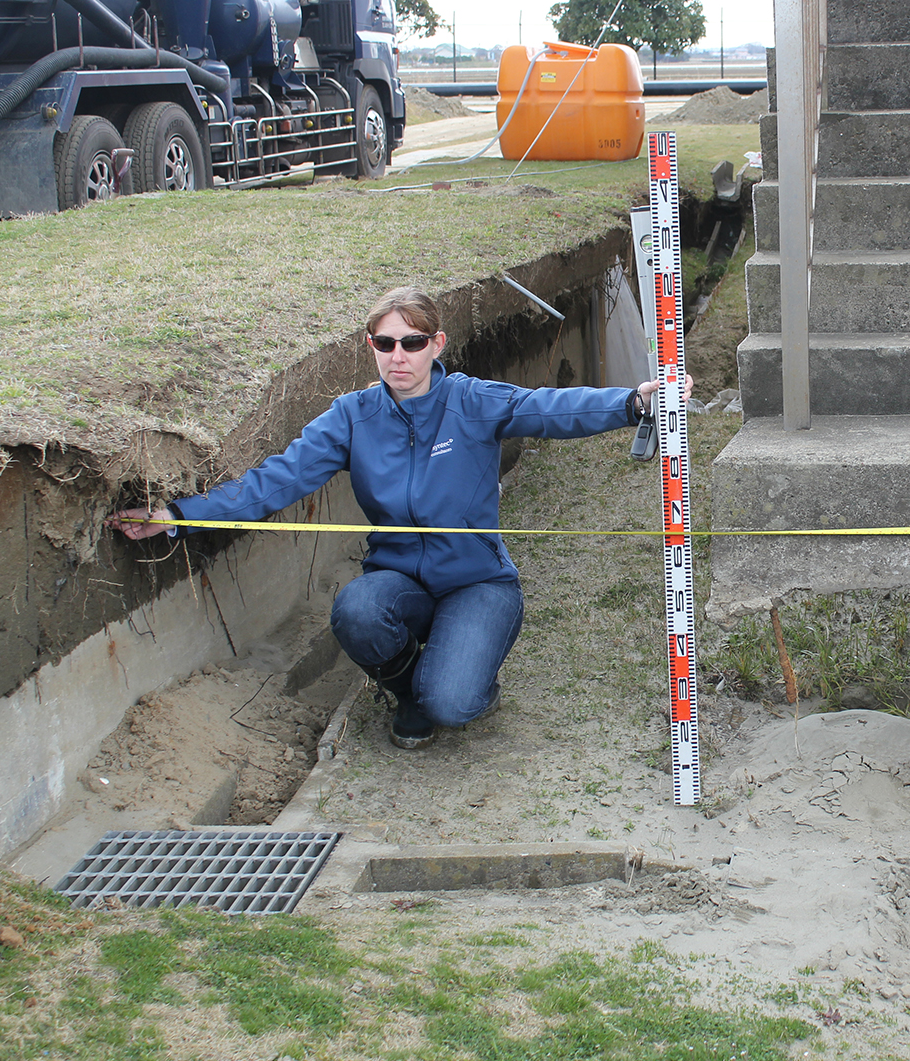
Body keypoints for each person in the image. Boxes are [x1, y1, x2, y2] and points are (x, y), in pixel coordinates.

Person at [112, 286, 690, 751]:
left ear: (436, 343)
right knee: (357, 611)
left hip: (476, 583)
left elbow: (544, 408)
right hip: (399, 580)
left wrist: (634, 401)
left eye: (412, 343)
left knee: (454, 706)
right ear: (371, 348)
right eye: (385, 344)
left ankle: (454, 677)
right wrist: (178, 516)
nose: (399, 357)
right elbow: (276, 481)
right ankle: (406, 688)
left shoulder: (469, 400)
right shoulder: (352, 417)